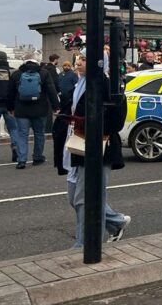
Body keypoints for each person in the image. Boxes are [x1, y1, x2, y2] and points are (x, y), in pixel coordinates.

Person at [63, 56, 131, 248]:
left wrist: (88, 123)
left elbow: (116, 120)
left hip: (97, 147)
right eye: (77, 58)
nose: (78, 62)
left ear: (99, 62)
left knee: (86, 200)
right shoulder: (79, 85)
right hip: (77, 145)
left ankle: (84, 246)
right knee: (75, 198)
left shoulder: (106, 85)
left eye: (85, 59)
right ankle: (116, 222)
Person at [8, 55, 60, 169]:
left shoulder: (17, 74)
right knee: (39, 133)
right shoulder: (44, 73)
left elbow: (10, 93)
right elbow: (51, 91)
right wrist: (56, 106)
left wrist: (11, 108)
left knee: (22, 134)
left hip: (21, 109)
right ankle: (37, 157)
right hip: (40, 109)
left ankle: (21, 160)